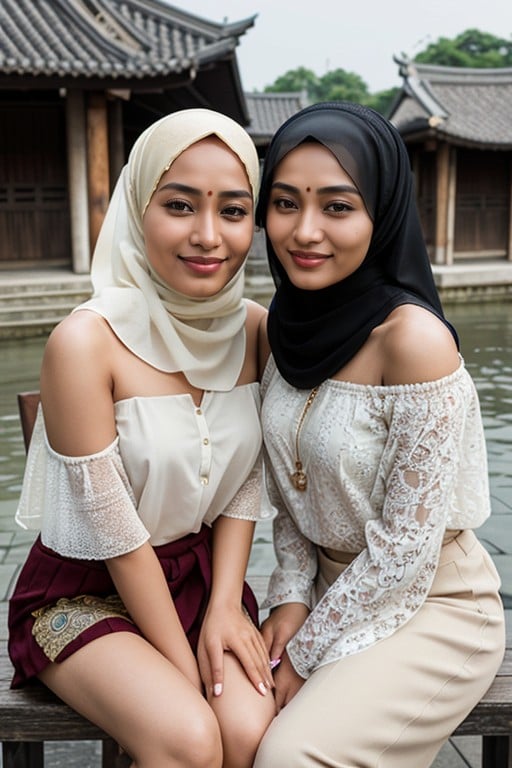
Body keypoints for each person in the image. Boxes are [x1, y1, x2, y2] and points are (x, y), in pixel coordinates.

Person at [8, 108, 276, 768]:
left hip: (204, 580)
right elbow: (114, 531)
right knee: (189, 738)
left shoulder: (256, 332)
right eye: (180, 205)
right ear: (137, 205)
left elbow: (246, 477)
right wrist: (183, 673)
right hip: (82, 593)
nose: (209, 236)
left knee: (246, 734)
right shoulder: (85, 343)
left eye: (234, 211)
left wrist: (222, 610)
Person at [253, 101, 505, 768]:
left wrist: (302, 655)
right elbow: (287, 497)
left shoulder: (412, 342)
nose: (305, 231)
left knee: (289, 757)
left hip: (436, 604)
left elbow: (403, 553)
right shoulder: (279, 331)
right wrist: (288, 596)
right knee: (229, 723)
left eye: (337, 207)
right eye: (284, 202)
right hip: (327, 599)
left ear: (382, 213)